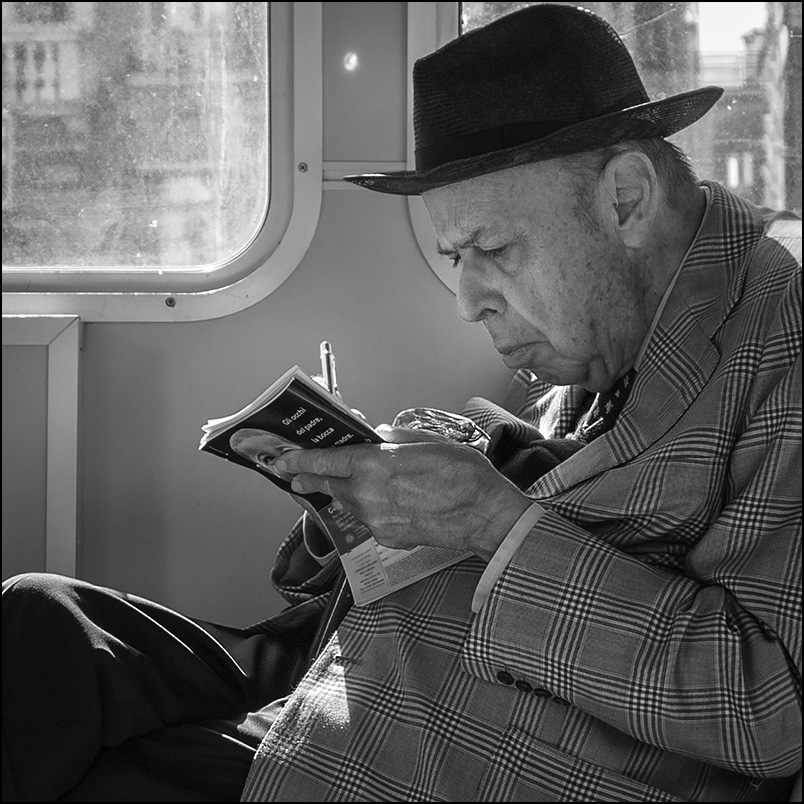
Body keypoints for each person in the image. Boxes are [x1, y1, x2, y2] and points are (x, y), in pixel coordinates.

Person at [3, 4, 801, 802]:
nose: (468, 299)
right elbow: (569, 488)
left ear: (625, 198)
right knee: (39, 622)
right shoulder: (619, 329)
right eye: (455, 257)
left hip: (473, 736)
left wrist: (491, 522)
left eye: (493, 250)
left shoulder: (781, 341)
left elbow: (766, 708)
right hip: (364, 655)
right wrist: (366, 506)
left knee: (88, 772)